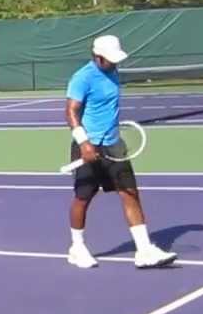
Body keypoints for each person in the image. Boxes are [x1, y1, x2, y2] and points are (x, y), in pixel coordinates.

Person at [65, 34, 177, 269]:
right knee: (83, 198)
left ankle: (144, 250)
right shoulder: (82, 78)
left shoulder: (113, 71)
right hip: (88, 146)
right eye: (109, 59)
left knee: (130, 193)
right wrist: (84, 143)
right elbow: (71, 112)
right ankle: (77, 247)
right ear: (97, 57)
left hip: (115, 145)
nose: (115, 63)